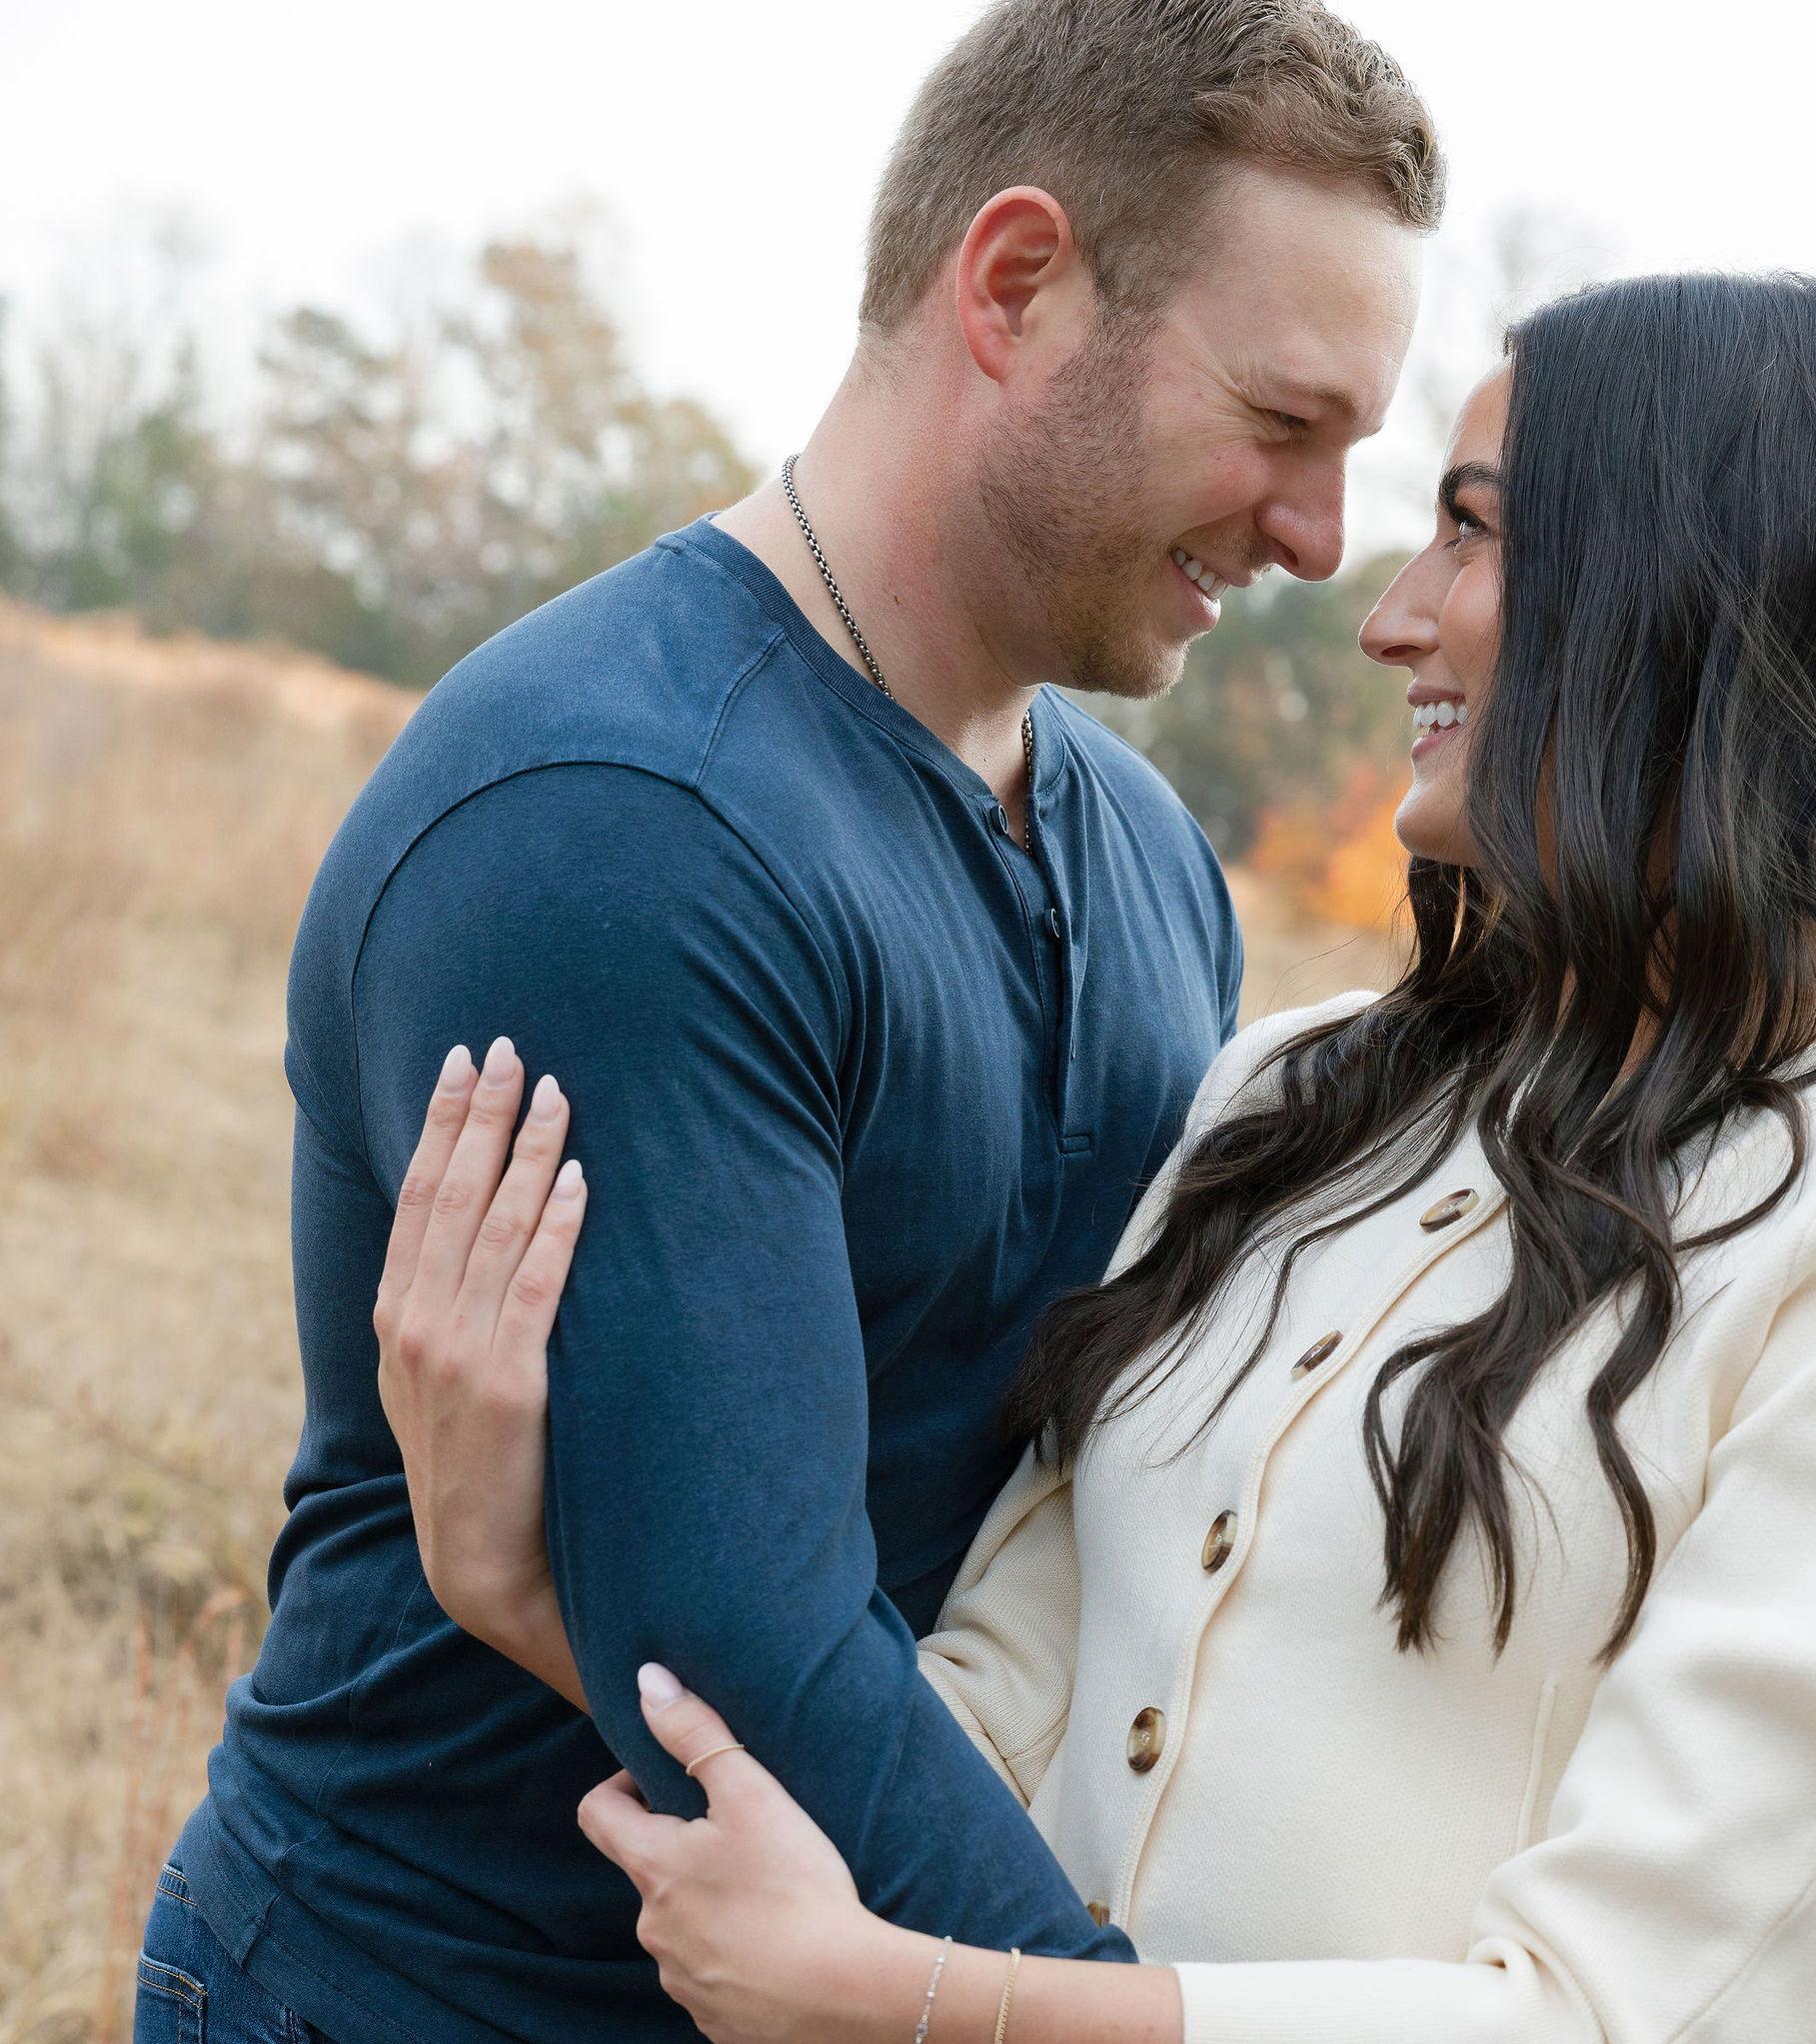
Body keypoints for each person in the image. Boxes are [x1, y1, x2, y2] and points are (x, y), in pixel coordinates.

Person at [382, 270, 1816, 2044]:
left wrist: (934, 2006)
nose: (1388, 617)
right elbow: (987, 1724)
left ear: (1690, 596)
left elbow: (1624, 2008)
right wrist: (537, 1596)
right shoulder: (1297, 1091)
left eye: (1471, 533)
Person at [137, 4, 1441, 2041]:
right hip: (439, 1987)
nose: (1319, 536)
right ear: (1016, 285)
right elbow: (743, 1640)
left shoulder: (1156, 870)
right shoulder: (621, 825)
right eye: (1283, 420)